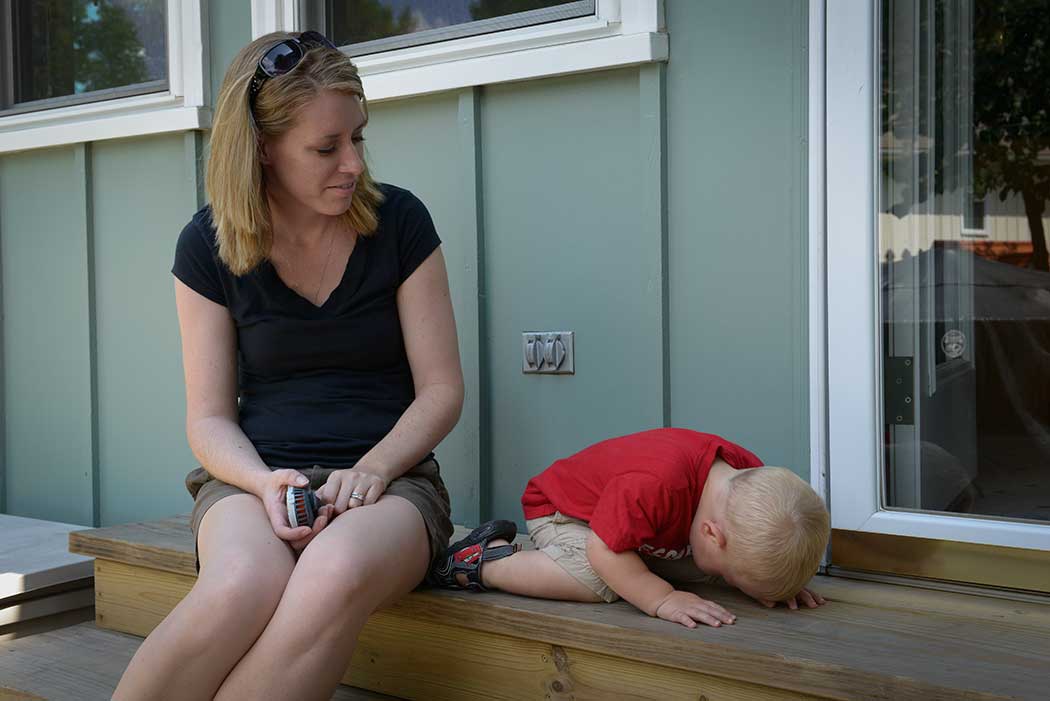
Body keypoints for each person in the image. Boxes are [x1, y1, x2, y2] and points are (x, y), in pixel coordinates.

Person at [113, 31, 462, 700]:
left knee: (331, 573)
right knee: (240, 583)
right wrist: (264, 482)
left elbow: (442, 389)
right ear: (263, 148)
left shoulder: (401, 223)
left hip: (391, 486)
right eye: (327, 148)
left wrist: (374, 469)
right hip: (254, 481)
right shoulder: (207, 245)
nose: (353, 163)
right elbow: (209, 419)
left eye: (357, 138)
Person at [431, 428, 830, 629]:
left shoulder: (747, 480)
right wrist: (661, 599)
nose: (730, 581)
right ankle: (482, 562)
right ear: (712, 533)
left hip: (631, 529)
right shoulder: (656, 485)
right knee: (601, 581)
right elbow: (603, 550)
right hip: (568, 514)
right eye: (732, 574)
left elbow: (762, 537)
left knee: (698, 570)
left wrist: (774, 579)